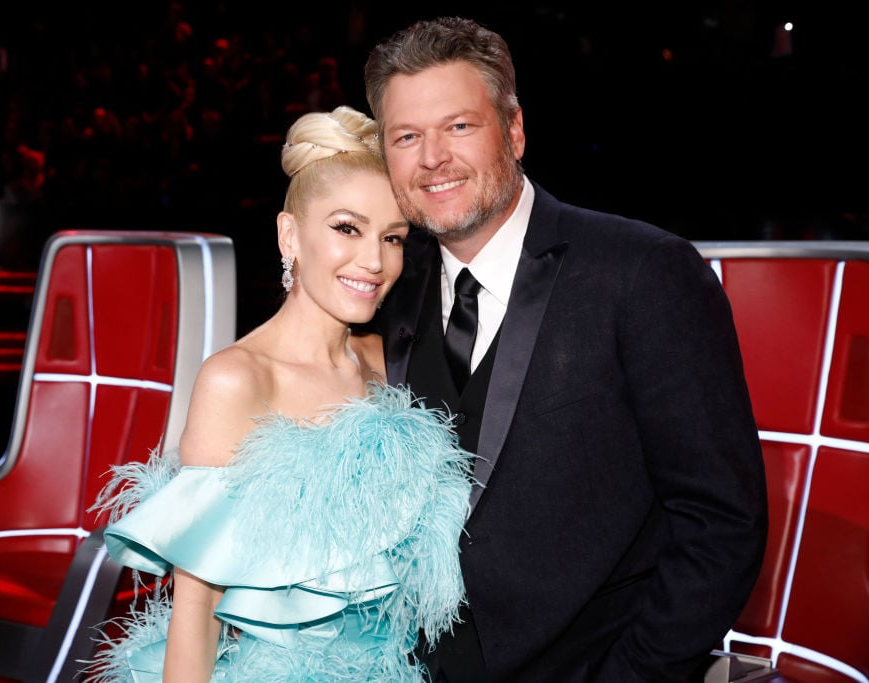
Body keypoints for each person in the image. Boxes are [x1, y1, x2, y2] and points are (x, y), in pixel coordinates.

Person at [361, 16, 769, 683]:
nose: (432, 157)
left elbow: (721, 521)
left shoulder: (641, 272)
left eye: (459, 126)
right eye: (407, 136)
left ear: (515, 130)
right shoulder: (387, 293)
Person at [81, 105, 473, 683]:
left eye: (392, 237)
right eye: (347, 228)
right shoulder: (237, 380)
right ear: (290, 234)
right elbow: (198, 609)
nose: (374, 261)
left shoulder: (386, 362)